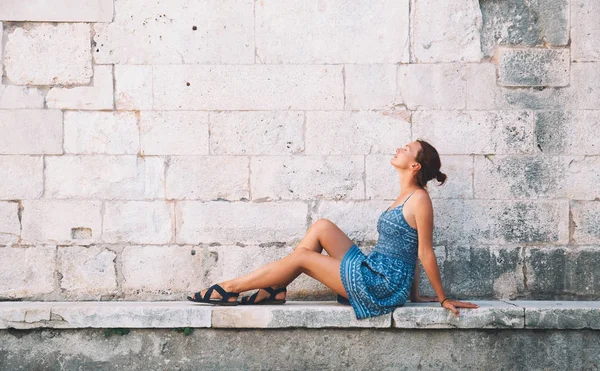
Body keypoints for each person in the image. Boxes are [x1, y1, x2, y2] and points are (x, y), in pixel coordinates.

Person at [187, 139, 479, 318]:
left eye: (407, 149)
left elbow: (423, 252)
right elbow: (408, 247)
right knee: (322, 227)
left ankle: (230, 289)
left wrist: (441, 297)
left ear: (415, 166)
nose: (399, 148)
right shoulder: (404, 197)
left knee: (302, 258)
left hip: (382, 286)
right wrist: (415, 295)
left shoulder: (420, 200)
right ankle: (274, 289)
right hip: (375, 269)